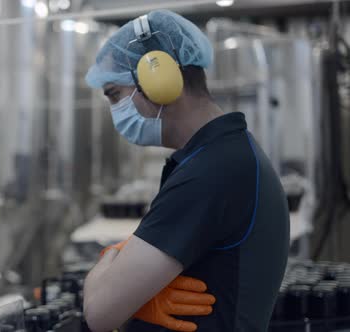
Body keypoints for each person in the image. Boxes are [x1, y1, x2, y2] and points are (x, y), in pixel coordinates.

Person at [82, 9, 290, 332]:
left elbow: (97, 312)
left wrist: (109, 259)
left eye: (115, 95)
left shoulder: (212, 172)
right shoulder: (227, 154)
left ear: (157, 81)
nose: (116, 112)